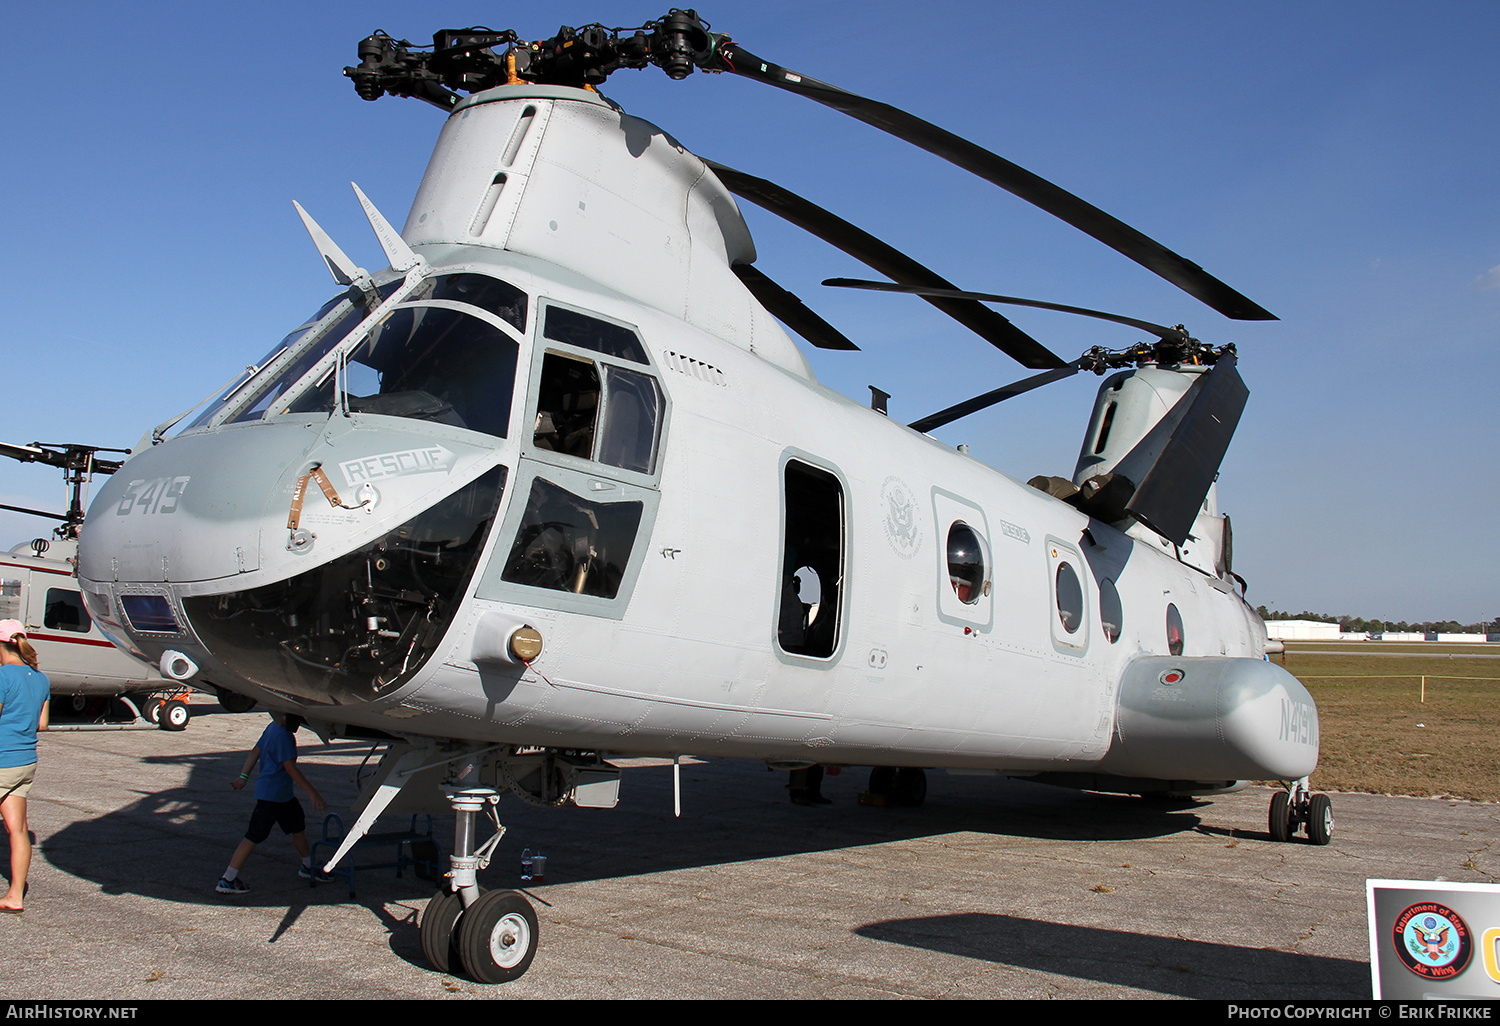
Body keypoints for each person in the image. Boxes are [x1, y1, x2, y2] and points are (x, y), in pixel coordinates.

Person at [216, 713, 328, 894]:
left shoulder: (272, 727)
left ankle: (307, 866)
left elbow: (256, 750)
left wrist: (243, 776)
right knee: (253, 836)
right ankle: (228, 878)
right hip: (272, 796)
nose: (300, 724)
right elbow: (290, 767)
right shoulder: (283, 735)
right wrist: (313, 793)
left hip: (283, 796)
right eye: (298, 719)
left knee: (298, 827)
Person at [0, 619, 49, 914]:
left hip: (2, 759)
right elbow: (42, 724)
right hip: (25, 762)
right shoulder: (40, 678)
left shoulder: (4, 676)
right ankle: (14, 895)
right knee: (18, 830)